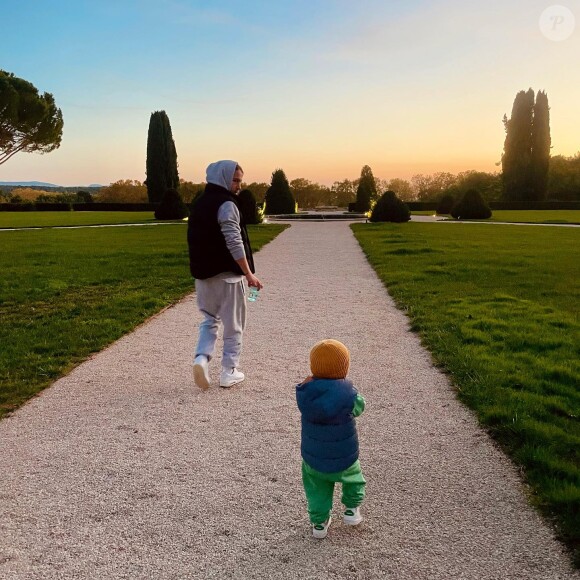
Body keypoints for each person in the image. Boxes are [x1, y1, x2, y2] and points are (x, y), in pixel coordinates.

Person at [187, 160, 263, 389]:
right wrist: (248, 274)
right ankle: (229, 371)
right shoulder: (227, 204)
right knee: (234, 324)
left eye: (240, 180)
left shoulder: (199, 203)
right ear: (223, 178)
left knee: (209, 320)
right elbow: (234, 241)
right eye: (235, 180)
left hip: (203, 276)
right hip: (229, 277)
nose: (239, 186)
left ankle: (201, 358)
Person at [295, 339, 366, 539]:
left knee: (316, 490)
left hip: (313, 458)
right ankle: (352, 509)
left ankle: (319, 523)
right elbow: (360, 407)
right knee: (354, 479)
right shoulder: (349, 395)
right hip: (345, 456)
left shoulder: (305, 394)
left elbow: (303, 389)